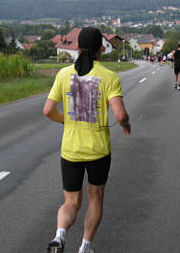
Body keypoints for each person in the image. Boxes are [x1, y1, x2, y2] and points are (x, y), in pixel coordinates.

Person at [43, 27, 131, 253]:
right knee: (95, 197)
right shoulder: (109, 77)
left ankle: (59, 235)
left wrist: (65, 120)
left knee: (71, 202)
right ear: (101, 48)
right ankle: (84, 247)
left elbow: (47, 110)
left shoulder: (63, 74)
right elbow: (120, 115)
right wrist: (126, 125)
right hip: (98, 151)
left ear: (79, 48)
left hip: (70, 150)